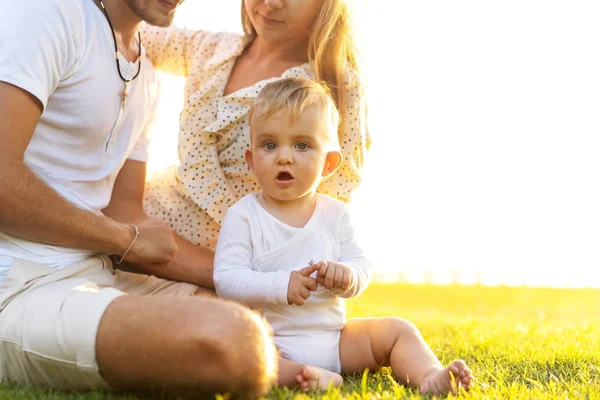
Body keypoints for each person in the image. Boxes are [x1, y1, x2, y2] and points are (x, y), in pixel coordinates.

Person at [0, 0, 277, 397]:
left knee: (259, 309)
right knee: (233, 340)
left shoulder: (147, 74)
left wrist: (242, 277)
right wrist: (122, 238)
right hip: (18, 285)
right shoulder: (47, 14)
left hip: (98, 275)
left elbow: (125, 213)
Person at [214, 78, 475, 394]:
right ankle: (305, 375)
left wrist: (348, 276)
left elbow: (361, 264)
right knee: (238, 352)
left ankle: (430, 377)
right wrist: (282, 284)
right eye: (270, 145)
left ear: (329, 163)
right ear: (252, 159)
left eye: (302, 145)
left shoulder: (335, 214)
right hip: (272, 340)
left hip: (336, 339)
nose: (284, 157)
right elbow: (227, 280)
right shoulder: (244, 215)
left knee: (396, 329)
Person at [140, 0, 369, 263]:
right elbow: (126, 27)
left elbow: (336, 195)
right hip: (144, 227)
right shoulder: (211, 49)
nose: (271, 4)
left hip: (237, 268)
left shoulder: (337, 86)